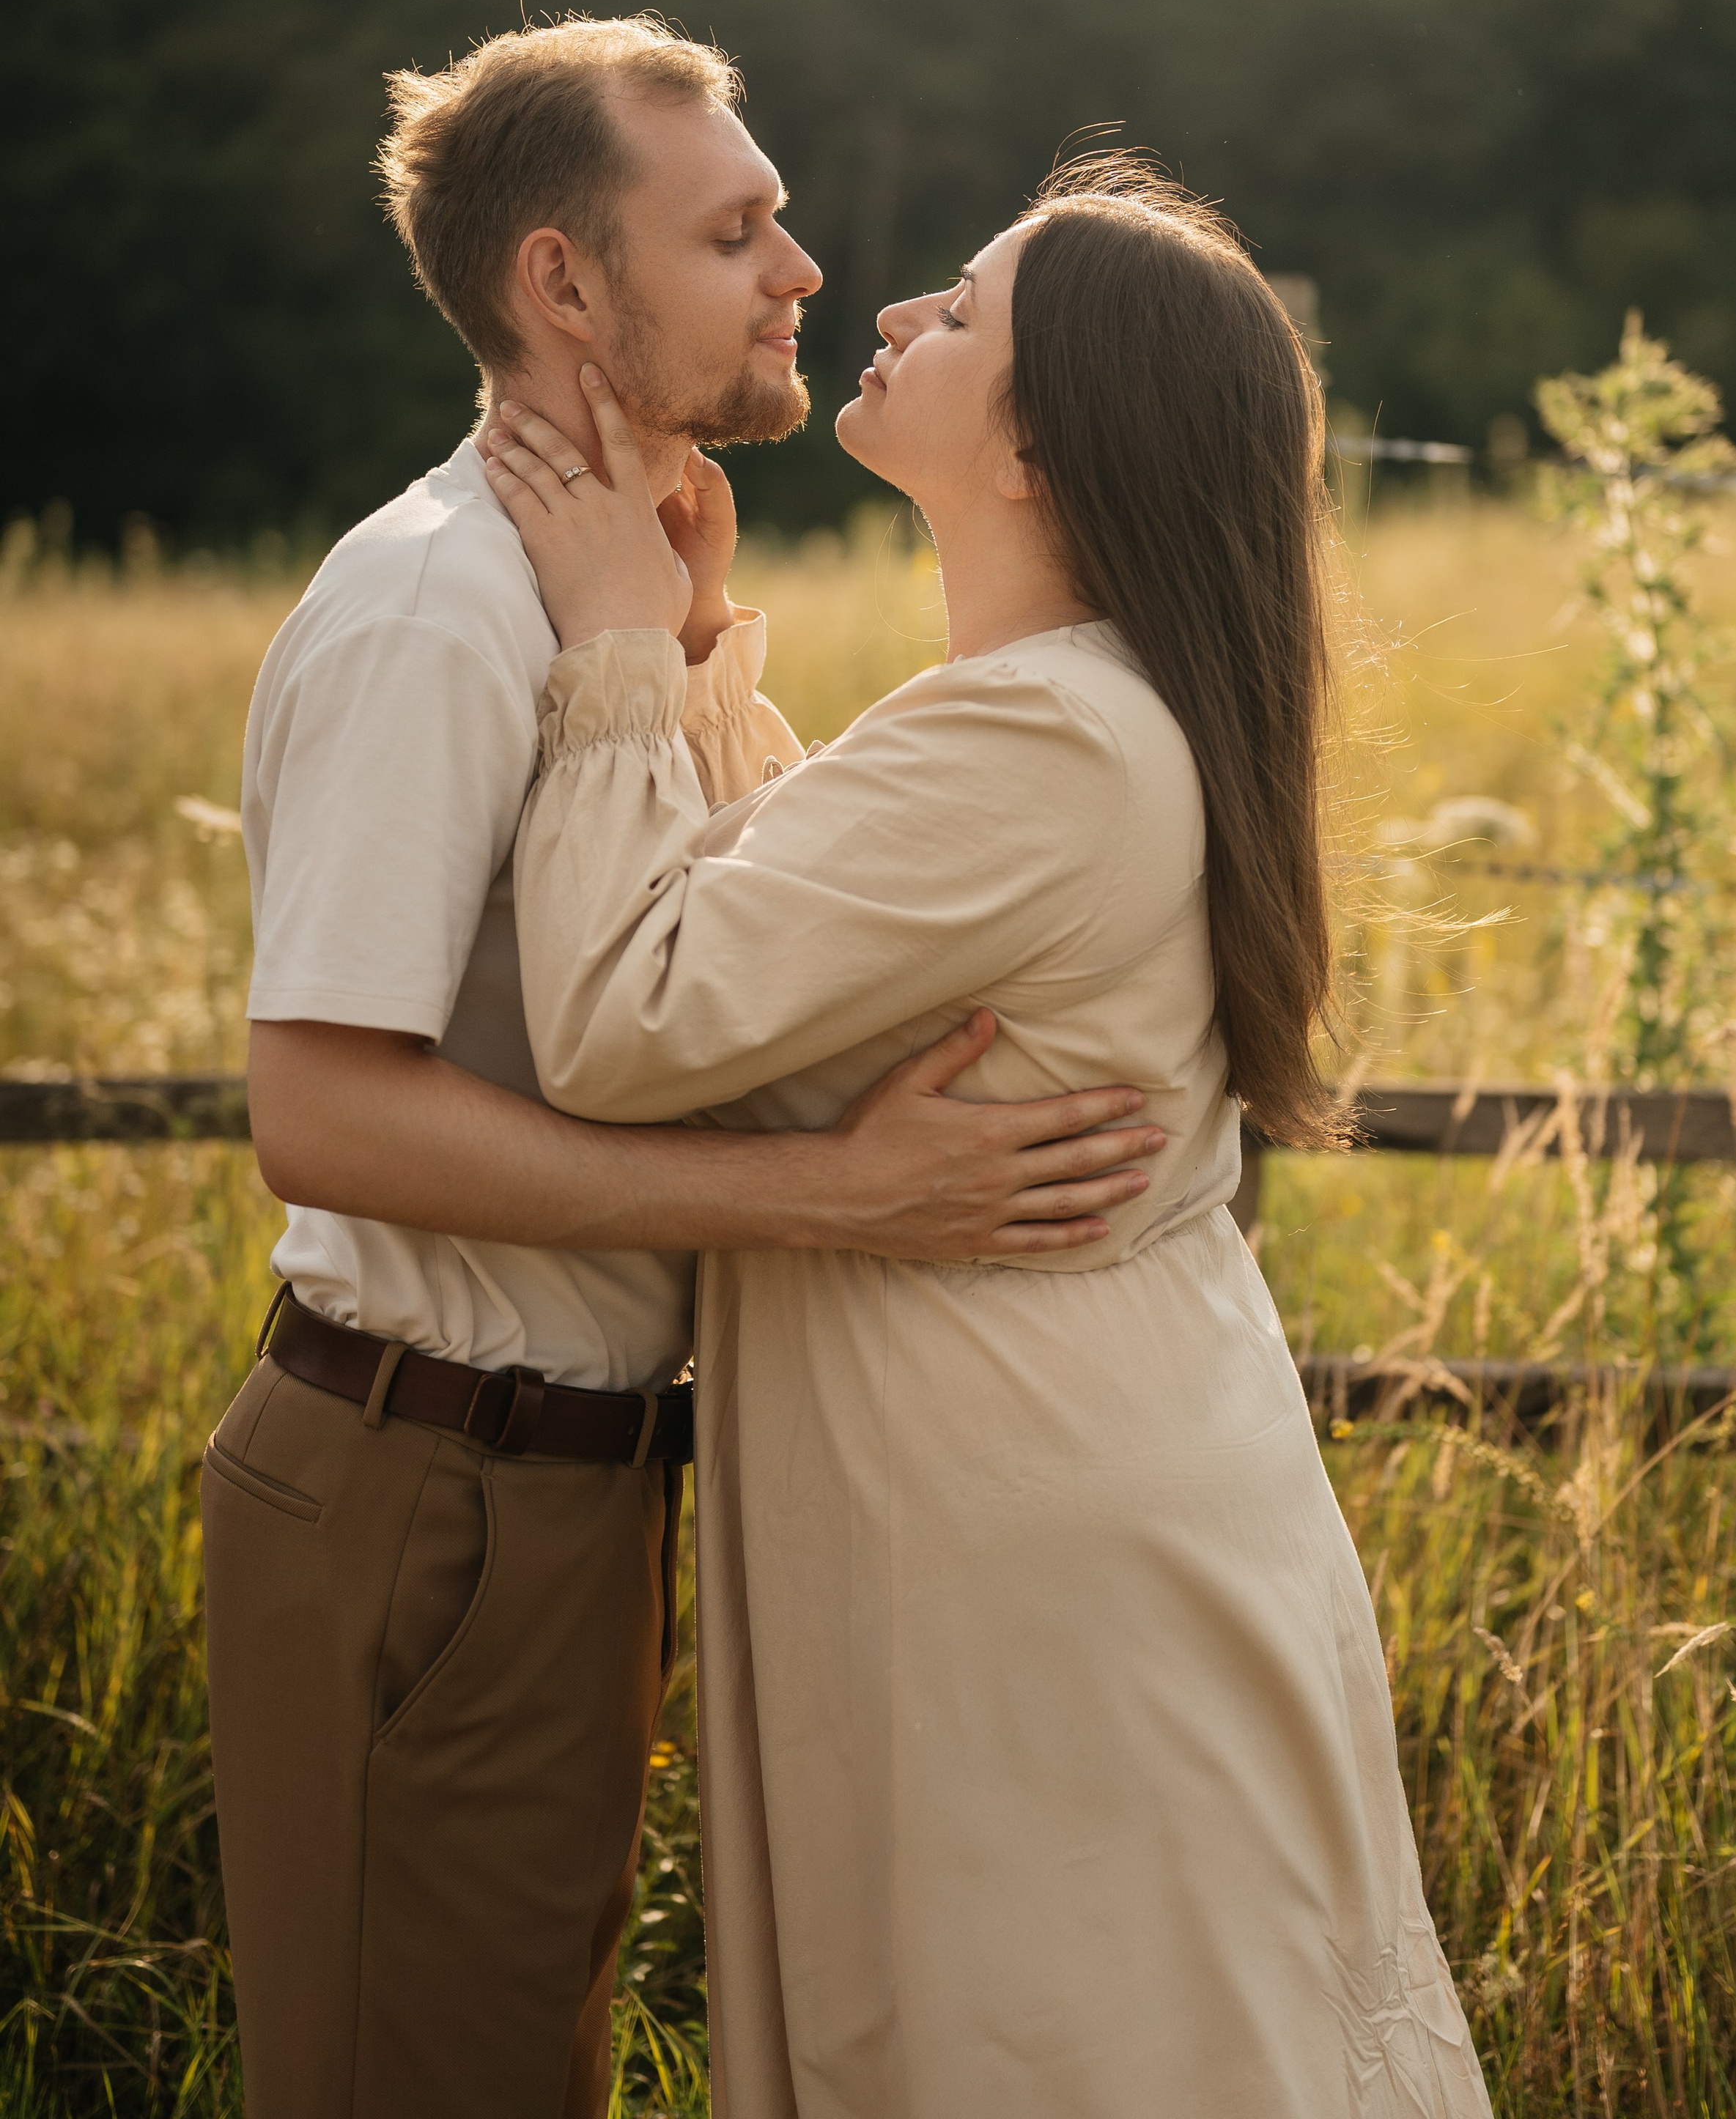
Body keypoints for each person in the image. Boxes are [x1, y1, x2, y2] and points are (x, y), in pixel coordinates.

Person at [203, 18, 1157, 2119]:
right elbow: (323, 1112)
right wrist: (826, 1206)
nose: (804, 271)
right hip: (424, 1488)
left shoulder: (617, 604)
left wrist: (695, 653)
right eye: (734, 232)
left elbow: (716, 973)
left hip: (563, 1489)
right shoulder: (439, 611)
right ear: (562, 285)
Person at [485, 152, 1493, 2119]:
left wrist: (611, 644)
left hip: (1028, 1539)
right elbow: (791, 926)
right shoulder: (1062, 712)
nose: (889, 318)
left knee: (1072, 2044)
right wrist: (696, 654)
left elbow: (621, 1019)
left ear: (1038, 446)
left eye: (959, 317)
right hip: (1053, 1477)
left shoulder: (1041, 740)